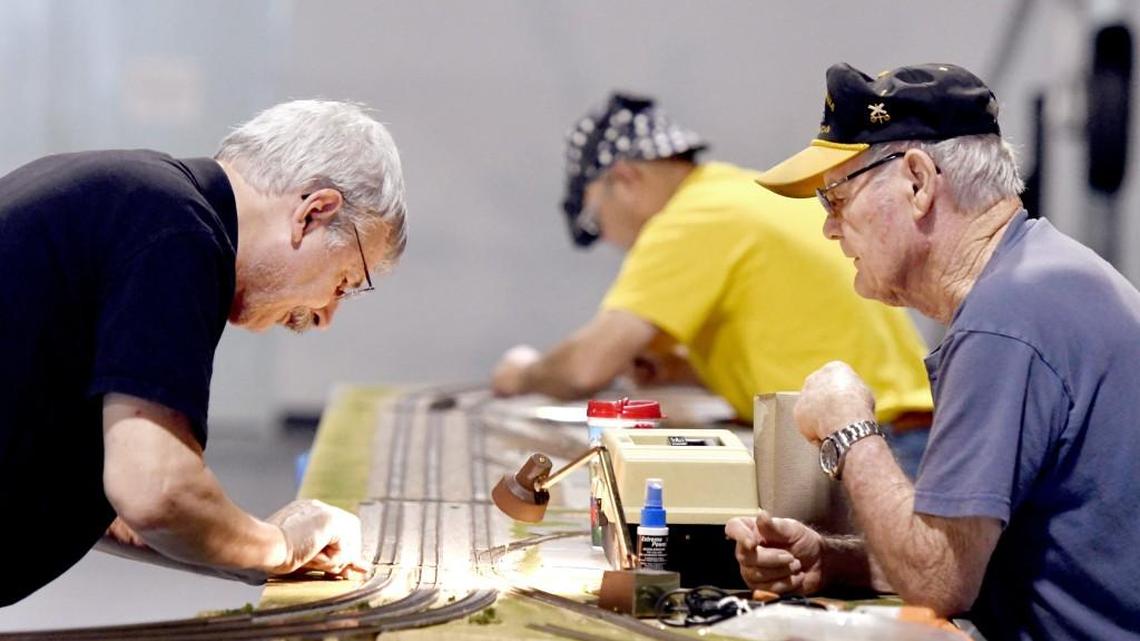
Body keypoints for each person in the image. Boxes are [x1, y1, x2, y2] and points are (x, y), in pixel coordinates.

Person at [726, 62, 1140, 641]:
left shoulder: (1007, 320)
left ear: (918, 181)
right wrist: (831, 559)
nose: (829, 229)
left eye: (835, 198)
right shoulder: (1040, 277)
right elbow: (973, 552)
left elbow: (938, 580)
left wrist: (850, 429)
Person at [0, 100, 407, 605]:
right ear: (313, 213)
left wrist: (250, 548)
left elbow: (110, 497)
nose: (325, 315)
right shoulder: (177, 231)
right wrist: (281, 545)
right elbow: (155, 490)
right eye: (344, 282)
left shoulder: (140, 199)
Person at [492, 93, 933, 472]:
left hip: (875, 445)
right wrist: (688, 370)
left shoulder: (692, 217)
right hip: (902, 432)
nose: (607, 239)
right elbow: (798, 341)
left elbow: (584, 368)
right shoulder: (733, 193)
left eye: (594, 220)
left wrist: (522, 374)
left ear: (624, 180)